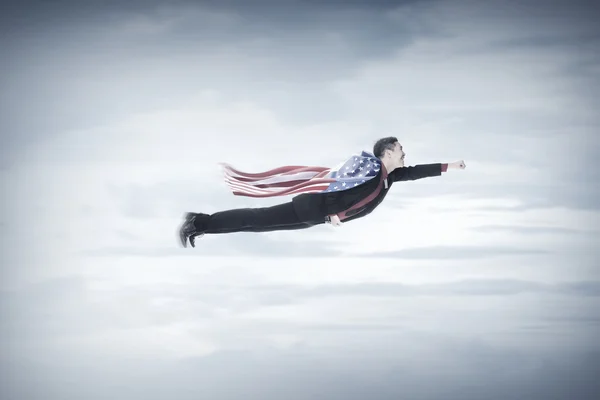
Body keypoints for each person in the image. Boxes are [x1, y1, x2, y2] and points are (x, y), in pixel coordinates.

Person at [178, 136, 466, 247]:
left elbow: (415, 171)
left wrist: (449, 166)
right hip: (312, 208)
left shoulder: (388, 176)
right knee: (255, 219)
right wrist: (335, 214)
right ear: (388, 152)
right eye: (401, 150)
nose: (405, 154)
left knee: (254, 226)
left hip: (315, 216)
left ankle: (200, 226)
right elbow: (338, 184)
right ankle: (199, 221)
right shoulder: (368, 168)